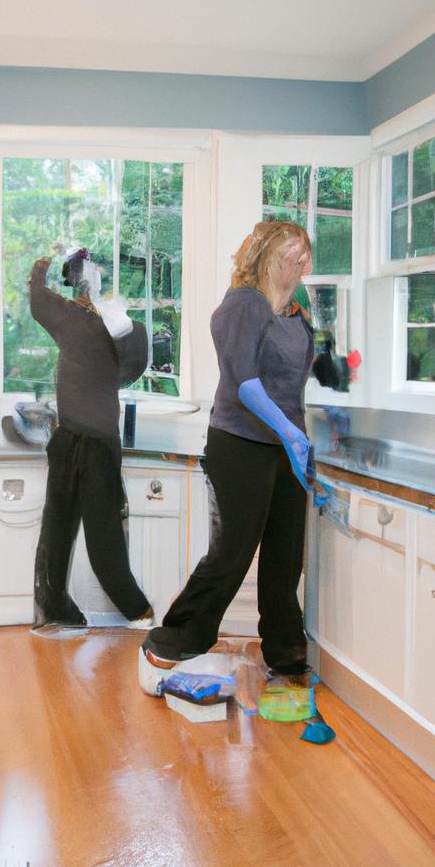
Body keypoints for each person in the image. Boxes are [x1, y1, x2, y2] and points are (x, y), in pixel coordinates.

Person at [142, 219, 315, 677]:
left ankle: (285, 648)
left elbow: (294, 382)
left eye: (303, 256)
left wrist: (300, 434)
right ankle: (178, 636)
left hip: (285, 448)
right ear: (263, 260)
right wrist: (293, 434)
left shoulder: (296, 315)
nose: (298, 264)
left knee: (286, 554)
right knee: (235, 549)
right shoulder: (243, 304)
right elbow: (246, 385)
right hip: (241, 443)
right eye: (288, 256)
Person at [29, 248, 153, 628]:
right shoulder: (69, 315)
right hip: (68, 439)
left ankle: (138, 612)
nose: (87, 279)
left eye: (91, 272)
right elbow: (36, 298)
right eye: (81, 272)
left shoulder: (117, 323)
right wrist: (46, 257)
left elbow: (133, 367)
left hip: (97, 443)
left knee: (102, 538)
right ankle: (54, 611)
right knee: (57, 532)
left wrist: (122, 326)